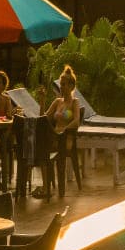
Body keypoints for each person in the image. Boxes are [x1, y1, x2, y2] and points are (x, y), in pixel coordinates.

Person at [45, 64, 82, 197]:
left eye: (64, 84)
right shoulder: (57, 102)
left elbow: (76, 120)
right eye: (61, 84)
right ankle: (46, 187)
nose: (61, 87)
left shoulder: (74, 102)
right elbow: (44, 117)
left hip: (67, 138)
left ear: (71, 86)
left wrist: (65, 130)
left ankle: (59, 190)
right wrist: (42, 101)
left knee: (58, 144)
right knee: (42, 147)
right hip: (55, 136)